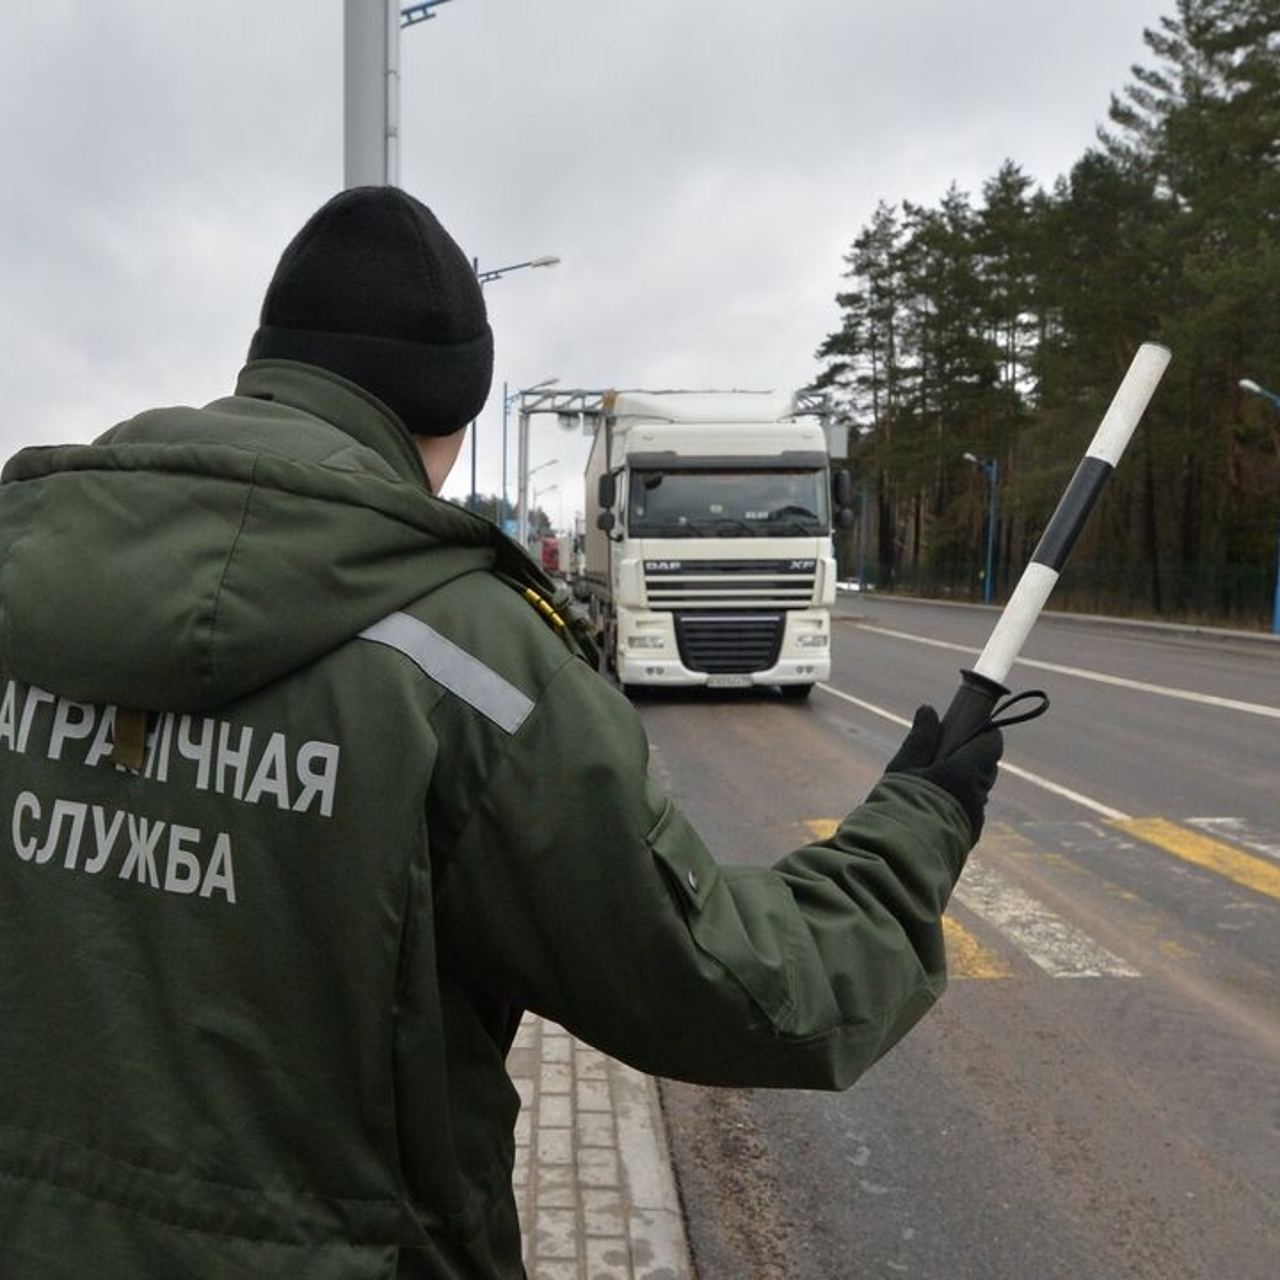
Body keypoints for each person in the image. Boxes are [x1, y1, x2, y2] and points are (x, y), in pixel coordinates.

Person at [0, 186, 1002, 1279]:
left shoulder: (26, 580)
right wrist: (915, 826)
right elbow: (727, 986)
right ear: (447, 416)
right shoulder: (471, 663)